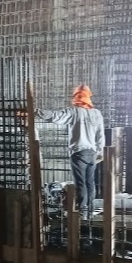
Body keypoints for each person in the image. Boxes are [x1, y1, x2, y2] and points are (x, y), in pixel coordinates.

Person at [35, 85, 105, 219]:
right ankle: (90, 211)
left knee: (81, 184)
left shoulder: (74, 112)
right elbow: (101, 135)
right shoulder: (97, 114)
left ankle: (83, 213)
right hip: (92, 153)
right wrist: (100, 152)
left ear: (77, 97)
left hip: (79, 153)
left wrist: (37, 111)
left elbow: (56, 117)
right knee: (90, 183)